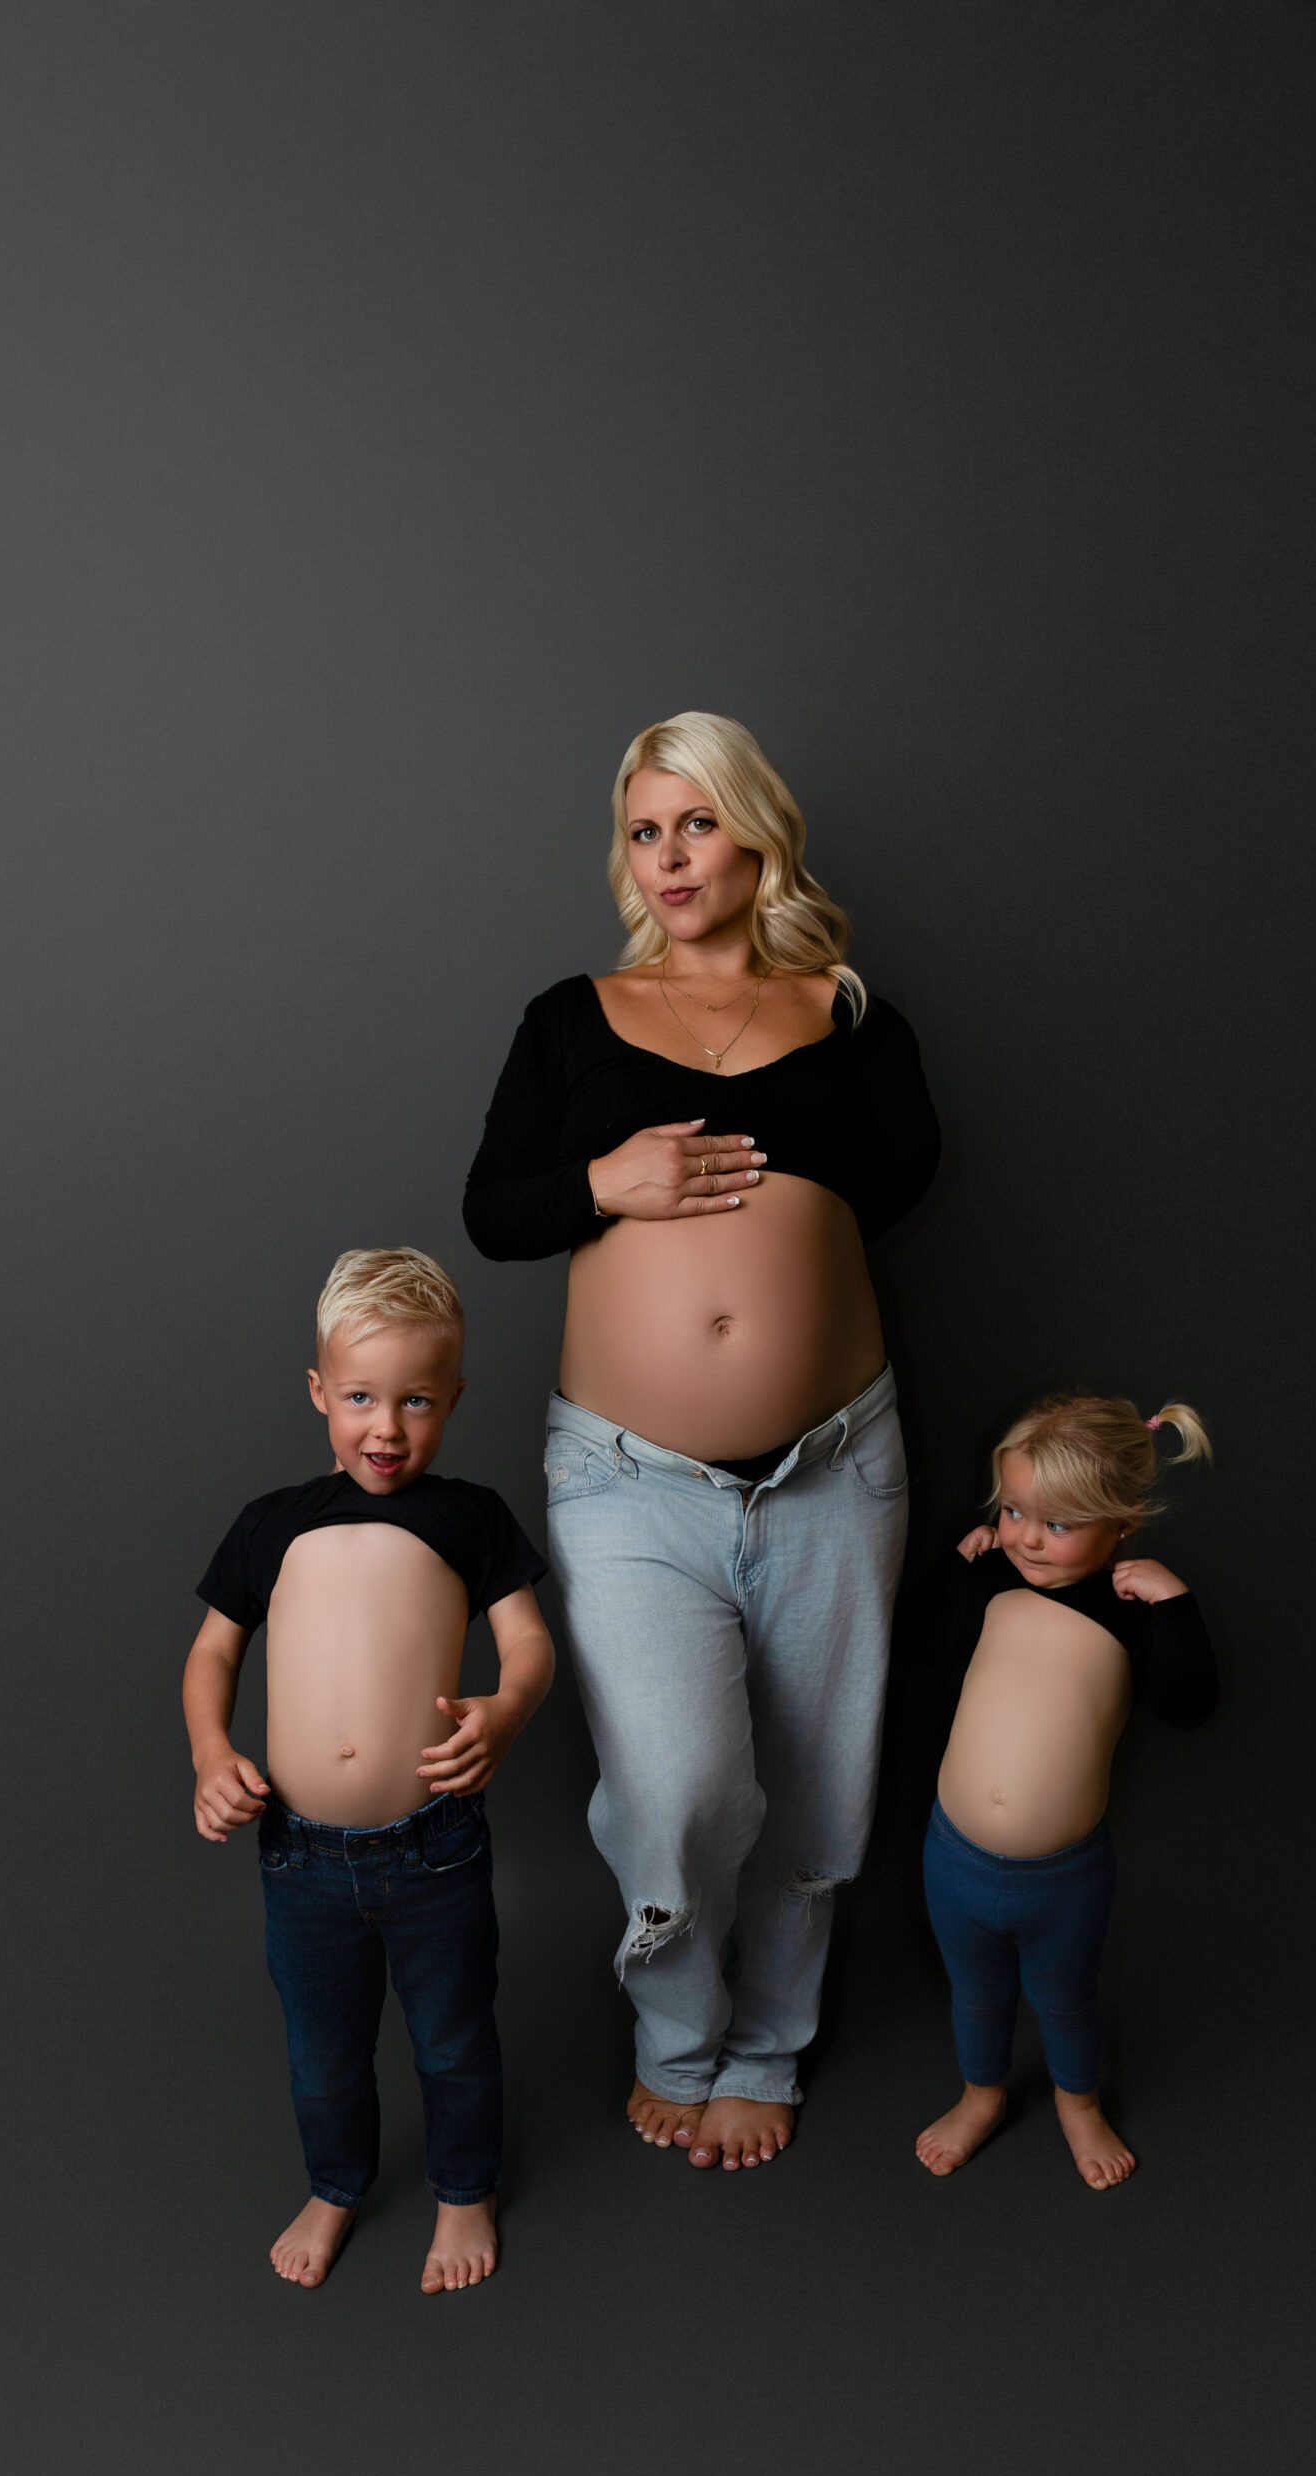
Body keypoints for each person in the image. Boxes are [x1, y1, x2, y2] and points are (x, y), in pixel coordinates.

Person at [464, 711, 939, 2171]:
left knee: (814, 1783)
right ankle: (675, 2033)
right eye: (642, 830)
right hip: (627, 1475)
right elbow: (495, 1211)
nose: (667, 857)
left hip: (832, 1462)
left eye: (695, 824)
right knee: (675, 1783)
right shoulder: (567, 1016)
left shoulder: (849, 1012)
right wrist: (606, 1178)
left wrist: (767, 1205)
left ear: (755, 836)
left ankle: (767, 2050)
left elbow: (903, 1182)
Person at [182, 1248, 553, 2292]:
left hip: (433, 1848)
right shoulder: (273, 1522)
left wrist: (506, 1709)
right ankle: (337, 2184)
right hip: (300, 1856)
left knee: (452, 2039)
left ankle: (464, 2189)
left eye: (416, 1400)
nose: (386, 1427)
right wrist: (213, 1751)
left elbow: (528, 1647)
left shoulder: (469, 1516)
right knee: (323, 2054)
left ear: (452, 1400)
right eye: (359, 1396)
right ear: (318, 1392)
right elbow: (212, 1654)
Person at [905, 1392, 1217, 2188]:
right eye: (1012, 1510)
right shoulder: (989, 1578)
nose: (1025, 1538)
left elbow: (1188, 1706)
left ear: (1121, 1525)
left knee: (1065, 1999)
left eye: (1056, 1524)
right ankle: (981, 2096)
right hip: (953, 1857)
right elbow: (920, 1646)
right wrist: (958, 1561)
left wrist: (1176, 1607)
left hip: (1063, 1877)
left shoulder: (1129, 1609)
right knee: (974, 1995)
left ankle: (1079, 2106)